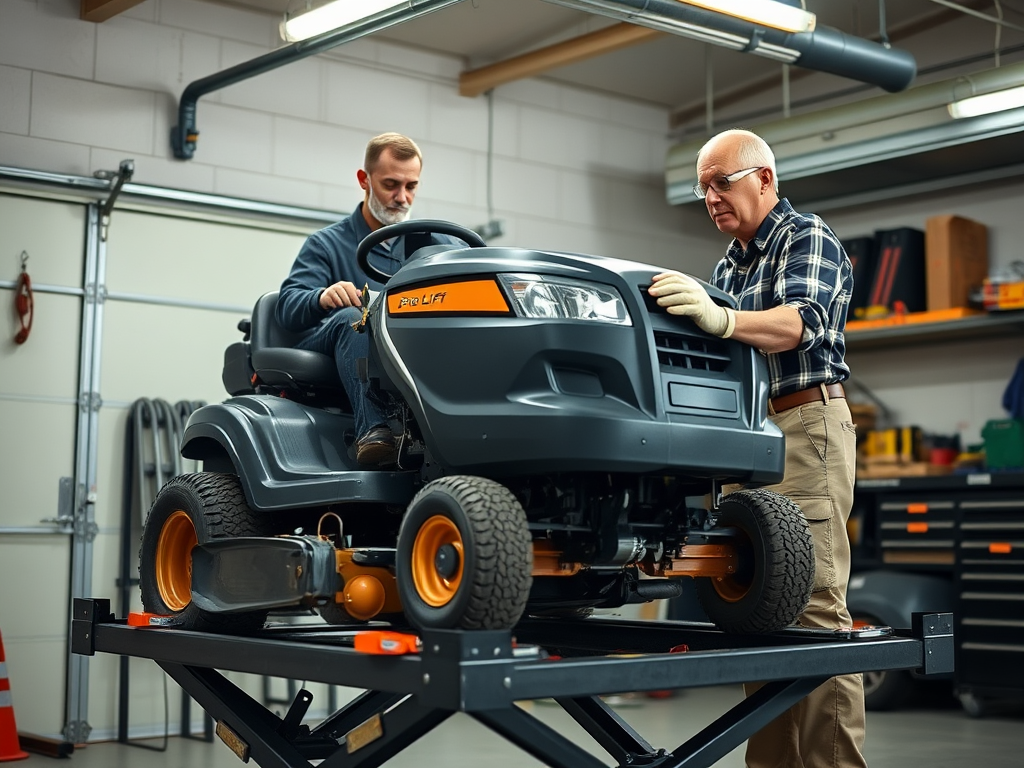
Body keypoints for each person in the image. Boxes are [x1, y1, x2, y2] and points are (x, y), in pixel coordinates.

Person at [648, 129, 863, 768]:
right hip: (751, 436)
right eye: (702, 188)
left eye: (723, 182)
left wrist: (723, 320)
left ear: (764, 180)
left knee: (818, 612)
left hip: (806, 427)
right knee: (763, 609)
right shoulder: (728, 267)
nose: (711, 197)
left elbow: (801, 323)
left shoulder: (807, 238)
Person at [276, 132, 424, 467]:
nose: (402, 197)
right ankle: (374, 433)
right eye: (391, 184)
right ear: (364, 180)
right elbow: (287, 308)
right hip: (334, 340)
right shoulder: (326, 244)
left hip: (403, 347)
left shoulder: (428, 251)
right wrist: (322, 297)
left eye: (411, 186)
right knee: (354, 317)